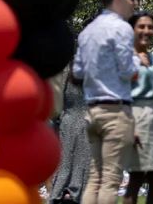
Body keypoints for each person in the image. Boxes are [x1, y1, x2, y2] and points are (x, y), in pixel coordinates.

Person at [73, 0, 139, 204]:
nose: (135, 3)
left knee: (95, 177)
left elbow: (78, 73)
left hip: (92, 109)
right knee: (111, 179)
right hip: (115, 109)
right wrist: (138, 63)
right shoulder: (121, 29)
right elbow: (127, 70)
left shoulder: (87, 31)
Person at [123, 11, 153, 204]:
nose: (146, 30)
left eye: (150, 26)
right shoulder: (126, 57)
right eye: (141, 26)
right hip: (136, 116)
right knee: (136, 176)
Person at [50, 63, 92, 204]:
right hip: (88, 121)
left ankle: (57, 194)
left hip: (68, 120)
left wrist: (58, 118)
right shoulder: (94, 72)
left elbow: (58, 99)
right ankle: (79, 195)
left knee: (65, 162)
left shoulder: (66, 71)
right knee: (83, 163)